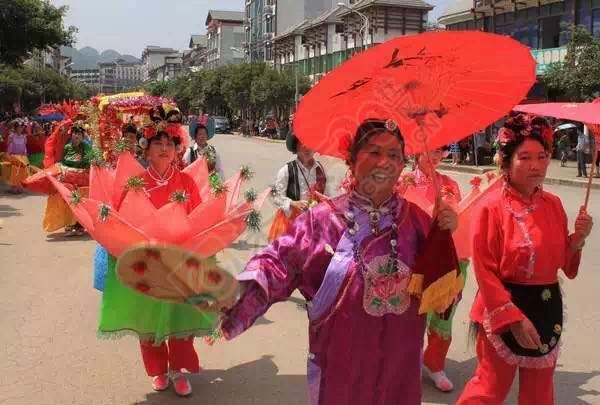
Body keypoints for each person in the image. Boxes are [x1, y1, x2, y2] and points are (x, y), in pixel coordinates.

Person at [217, 119, 460, 405]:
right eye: (373, 152)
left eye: (394, 155)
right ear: (352, 159)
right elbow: (277, 264)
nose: (385, 162)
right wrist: (231, 290)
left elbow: (445, 298)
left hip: (401, 369)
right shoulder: (322, 221)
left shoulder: (418, 221)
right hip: (343, 368)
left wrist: (443, 237)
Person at [457, 114, 593, 405]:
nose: (536, 165)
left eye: (542, 156)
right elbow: (485, 272)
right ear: (506, 161)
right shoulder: (491, 208)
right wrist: (514, 320)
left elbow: (565, 267)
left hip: (546, 306)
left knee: (540, 393)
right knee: (489, 389)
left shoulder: (554, 205)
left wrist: (578, 240)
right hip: (503, 308)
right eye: (525, 157)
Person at [98, 122, 214, 397]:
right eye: (157, 144)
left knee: (180, 318)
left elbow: (198, 221)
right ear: (146, 151)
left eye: (169, 145)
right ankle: (159, 370)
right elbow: (122, 223)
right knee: (149, 321)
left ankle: (177, 369)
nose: (164, 149)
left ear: (177, 150)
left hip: (179, 264)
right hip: (147, 266)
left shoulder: (185, 181)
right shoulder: (135, 183)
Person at [396, 147, 464, 392]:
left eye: (440, 151)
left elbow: (458, 220)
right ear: (417, 152)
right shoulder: (402, 182)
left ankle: (435, 364)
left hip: (442, 258)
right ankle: (408, 363)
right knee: (409, 315)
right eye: (431, 151)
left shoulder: (449, 185)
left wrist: (451, 221)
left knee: (443, 315)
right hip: (412, 259)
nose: (435, 157)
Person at [268, 128, 328, 242]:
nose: (306, 147)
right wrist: (293, 203)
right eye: (302, 143)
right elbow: (275, 196)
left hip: (314, 224)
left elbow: (325, 194)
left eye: (310, 143)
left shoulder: (320, 170)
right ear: (296, 147)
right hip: (290, 224)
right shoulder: (286, 170)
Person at [5, 120, 28, 193]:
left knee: (21, 171)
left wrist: (25, 154)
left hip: (22, 157)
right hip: (14, 156)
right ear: (16, 128)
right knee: (15, 172)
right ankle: (14, 187)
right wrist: (9, 154)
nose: (20, 128)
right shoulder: (11, 136)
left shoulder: (24, 137)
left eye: (21, 127)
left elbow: (24, 146)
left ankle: (20, 186)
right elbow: (8, 145)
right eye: (19, 127)